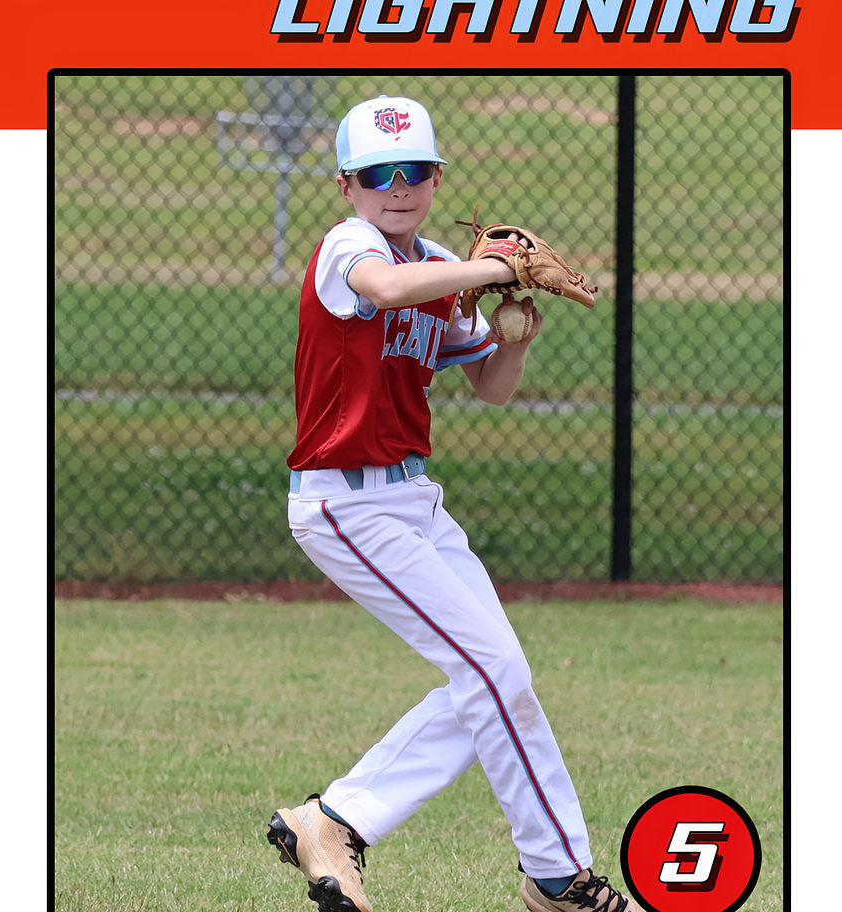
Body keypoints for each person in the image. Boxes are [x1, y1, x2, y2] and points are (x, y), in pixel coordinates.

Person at [267, 95, 641, 912]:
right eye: (377, 174)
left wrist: (514, 337)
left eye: (414, 171)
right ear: (346, 186)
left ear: (437, 178)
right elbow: (387, 287)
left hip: (414, 500)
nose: (397, 187)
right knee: (491, 671)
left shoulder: (439, 265)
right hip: (345, 505)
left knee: (500, 678)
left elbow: (490, 387)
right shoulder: (349, 248)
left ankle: (335, 821)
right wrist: (493, 270)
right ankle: (558, 875)